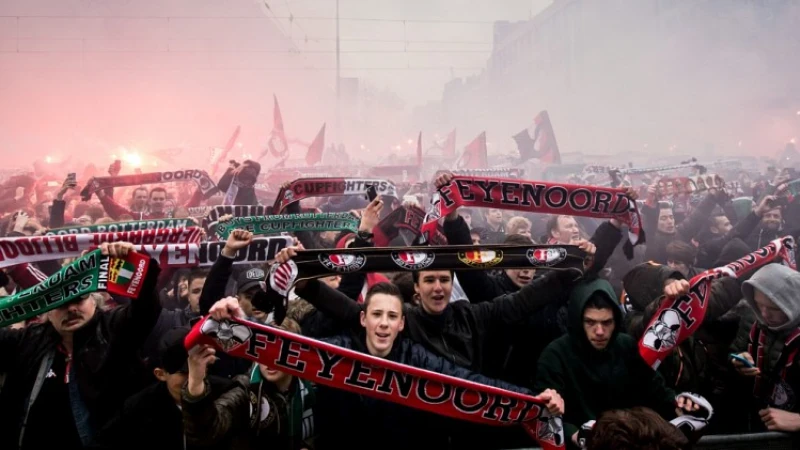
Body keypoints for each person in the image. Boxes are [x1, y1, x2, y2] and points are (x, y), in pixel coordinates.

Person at [206, 282, 565, 450]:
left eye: (391, 316)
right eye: (376, 314)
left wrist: (534, 400)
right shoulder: (336, 351)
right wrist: (232, 321)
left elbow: (468, 382)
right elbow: (282, 348)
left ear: (401, 324)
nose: (383, 323)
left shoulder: (416, 358)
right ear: (363, 319)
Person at [0, 242, 162, 449]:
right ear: (47, 311)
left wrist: (132, 264)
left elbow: (146, 309)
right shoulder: (30, 340)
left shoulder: (114, 328)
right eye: (61, 304)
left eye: (79, 299)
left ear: (95, 300)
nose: (72, 309)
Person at [534, 277, 701, 448]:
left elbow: (653, 387)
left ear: (616, 320)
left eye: (607, 322)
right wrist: (574, 435)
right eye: (590, 322)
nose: (599, 331)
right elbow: (546, 414)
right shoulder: (555, 355)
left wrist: (678, 404)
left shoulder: (627, 346)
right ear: (577, 321)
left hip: (629, 442)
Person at [182, 318, 316, 450]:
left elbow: (326, 430)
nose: (270, 360)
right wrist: (195, 381)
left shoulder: (312, 389)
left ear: (296, 356)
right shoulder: (246, 389)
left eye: (280, 353)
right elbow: (206, 432)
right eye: (265, 351)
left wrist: (308, 445)